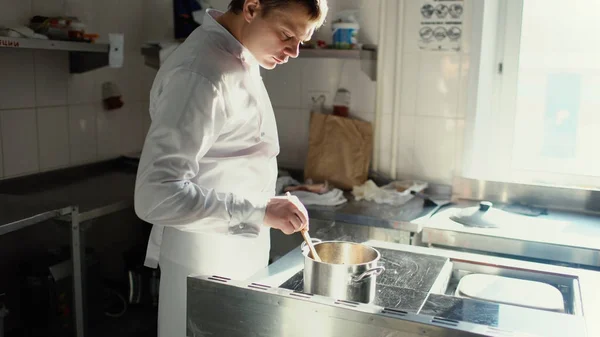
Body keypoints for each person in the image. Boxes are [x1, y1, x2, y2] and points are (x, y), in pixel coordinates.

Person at [133, 0, 328, 336]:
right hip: (203, 268)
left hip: (235, 265)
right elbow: (156, 195)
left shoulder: (239, 58)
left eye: (302, 42)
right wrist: (259, 211)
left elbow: (229, 158)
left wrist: (262, 206)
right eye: (286, 35)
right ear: (252, 8)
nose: (294, 51)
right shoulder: (201, 73)